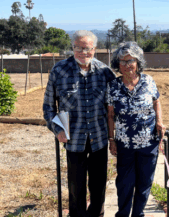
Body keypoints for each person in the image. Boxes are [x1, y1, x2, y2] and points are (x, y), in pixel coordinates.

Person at [43, 30, 116, 217]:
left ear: (95, 49)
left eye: (88, 48)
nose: (83, 53)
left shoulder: (105, 72)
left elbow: (113, 108)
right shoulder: (59, 71)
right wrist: (57, 129)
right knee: (76, 184)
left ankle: (97, 214)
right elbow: (48, 107)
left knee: (99, 183)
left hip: (98, 137)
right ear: (72, 48)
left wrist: (114, 136)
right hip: (73, 139)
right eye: (79, 48)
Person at [106, 42, 165, 217]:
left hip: (149, 143)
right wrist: (111, 139)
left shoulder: (148, 81)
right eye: (122, 62)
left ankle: (138, 214)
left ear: (138, 62)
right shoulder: (113, 86)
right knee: (125, 183)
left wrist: (160, 121)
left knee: (144, 182)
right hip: (125, 144)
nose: (126, 65)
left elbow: (156, 101)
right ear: (117, 65)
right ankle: (123, 214)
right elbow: (110, 115)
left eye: (130, 60)